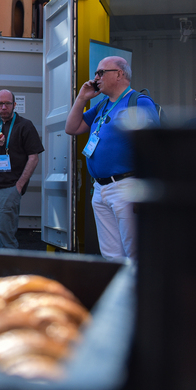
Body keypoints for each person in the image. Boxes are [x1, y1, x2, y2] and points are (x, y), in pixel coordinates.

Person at [64, 56, 160, 260]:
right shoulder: (102, 105)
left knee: (134, 252)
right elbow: (71, 128)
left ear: (119, 74)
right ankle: (118, 281)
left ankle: (136, 282)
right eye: (96, 73)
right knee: (111, 254)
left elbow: (154, 147)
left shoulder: (139, 102)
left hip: (127, 186)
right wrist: (81, 98)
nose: (95, 78)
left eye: (101, 73)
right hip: (101, 188)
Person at [0, 89, 44, 249]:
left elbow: (34, 158)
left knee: (6, 237)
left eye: (7, 103)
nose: (4, 107)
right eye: (0, 104)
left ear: (14, 105)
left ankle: (10, 266)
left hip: (9, 188)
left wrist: (19, 186)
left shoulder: (24, 125)